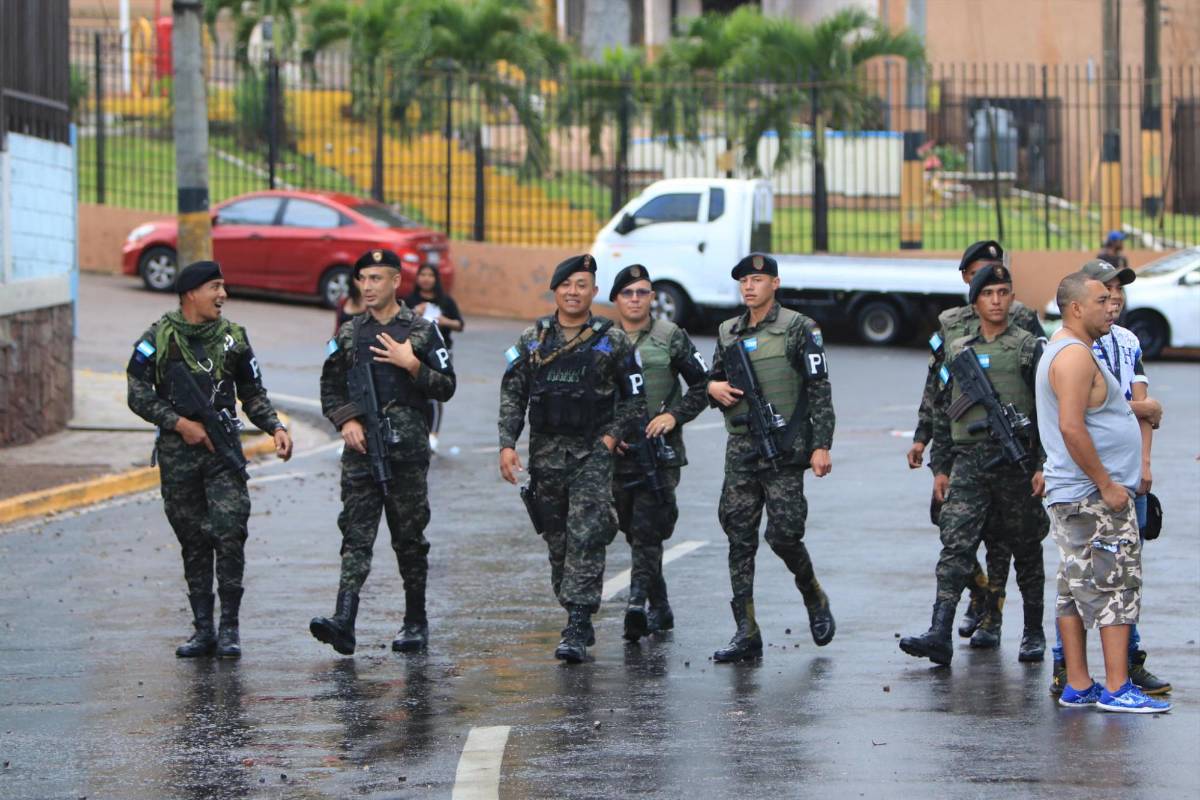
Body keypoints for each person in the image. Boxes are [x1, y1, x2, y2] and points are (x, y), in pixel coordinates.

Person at [126, 260, 293, 659]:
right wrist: (178, 423)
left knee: (230, 532)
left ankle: (230, 628)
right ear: (190, 294)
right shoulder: (157, 337)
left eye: (223, 286)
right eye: (215, 287)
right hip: (179, 455)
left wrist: (275, 427)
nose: (223, 295)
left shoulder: (234, 338)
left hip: (222, 452)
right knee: (193, 540)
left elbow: (252, 392)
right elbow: (136, 392)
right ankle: (203, 631)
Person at [497, 253, 646, 663]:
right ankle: (574, 609)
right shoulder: (533, 340)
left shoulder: (611, 340)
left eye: (583, 285)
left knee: (586, 534)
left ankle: (578, 623)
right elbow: (513, 393)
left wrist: (611, 438)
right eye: (567, 285)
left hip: (592, 456)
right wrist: (507, 443)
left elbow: (636, 401)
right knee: (558, 542)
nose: (574, 292)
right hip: (546, 457)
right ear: (556, 290)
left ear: (594, 292)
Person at [899, 264, 1048, 666]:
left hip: (1017, 463)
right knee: (955, 546)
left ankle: (1033, 630)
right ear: (976, 301)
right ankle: (939, 632)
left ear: (1012, 297)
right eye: (988, 294)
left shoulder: (1029, 348)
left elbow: (1048, 411)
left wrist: (1042, 465)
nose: (996, 301)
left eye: (1003, 292)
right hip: (969, 464)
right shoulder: (958, 350)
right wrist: (940, 466)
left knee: (1026, 549)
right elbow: (947, 410)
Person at [310, 248, 457, 656]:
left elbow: (446, 386)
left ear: (396, 281)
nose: (369, 286)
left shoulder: (422, 331)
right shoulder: (349, 333)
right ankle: (344, 620)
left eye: (377, 278)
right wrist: (347, 421)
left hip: (406, 451)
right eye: (363, 279)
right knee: (355, 534)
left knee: (409, 537)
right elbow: (330, 387)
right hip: (361, 451)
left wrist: (412, 365)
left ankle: (415, 621)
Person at [1036, 272, 1170, 713]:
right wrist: (1108, 484)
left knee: (1073, 588)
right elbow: (1072, 427)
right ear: (1076, 308)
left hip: (1077, 494)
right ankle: (1117, 688)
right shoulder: (1074, 357)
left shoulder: (1069, 351)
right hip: (1091, 497)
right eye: (1100, 299)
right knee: (1116, 586)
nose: (1110, 304)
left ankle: (1078, 684)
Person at [706, 253, 836, 663]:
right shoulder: (727, 332)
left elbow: (818, 388)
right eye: (744, 280)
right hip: (742, 451)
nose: (749, 286)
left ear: (774, 284)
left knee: (784, 535)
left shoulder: (798, 328)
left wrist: (821, 444)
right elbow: (712, 377)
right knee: (739, 539)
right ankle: (746, 629)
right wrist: (713, 389)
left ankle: (813, 593)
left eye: (758, 279)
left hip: (786, 451)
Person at [607, 264, 710, 641]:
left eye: (643, 292)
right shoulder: (601, 338)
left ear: (652, 298)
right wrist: (607, 434)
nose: (636, 299)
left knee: (648, 530)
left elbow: (703, 385)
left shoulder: (671, 336)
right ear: (616, 299)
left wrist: (673, 415)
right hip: (617, 452)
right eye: (628, 293)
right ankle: (661, 606)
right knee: (631, 530)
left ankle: (636, 605)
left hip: (660, 453)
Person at [404, 263, 464, 453]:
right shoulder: (410, 300)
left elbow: (460, 324)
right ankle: (416, 432)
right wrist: (415, 313)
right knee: (414, 392)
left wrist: (444, 321)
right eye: (423, 274)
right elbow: (401, 321)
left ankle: (433, 435)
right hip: (415, 352)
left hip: (440, 352)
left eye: (430, 275)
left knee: (435, 394)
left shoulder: (446, 301)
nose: (426, 279)